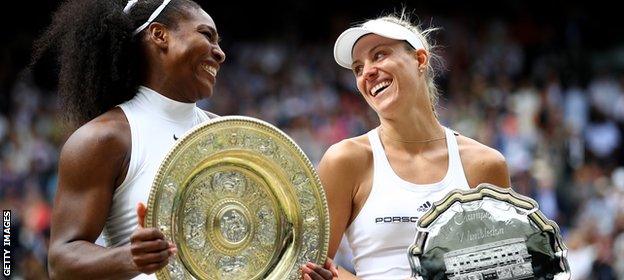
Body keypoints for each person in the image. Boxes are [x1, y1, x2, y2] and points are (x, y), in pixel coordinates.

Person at [303, 12, 511, 280]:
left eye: (379, 55)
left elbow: (505, 269)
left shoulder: (485, 164)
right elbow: (309, 266)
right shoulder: (345, 160)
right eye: (358, 68)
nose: (367, 71)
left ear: (420, 59)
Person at [32, 0, 226, 278]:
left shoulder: (225, 132)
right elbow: (62, 261)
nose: (220, 54)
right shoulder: (104, 138)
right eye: (207, 35)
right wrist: (127, 258)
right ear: (160, 35)